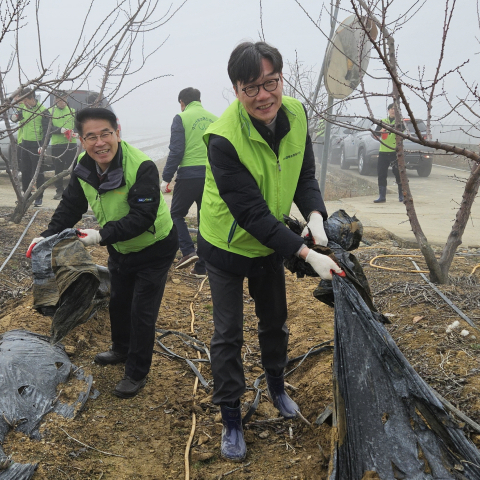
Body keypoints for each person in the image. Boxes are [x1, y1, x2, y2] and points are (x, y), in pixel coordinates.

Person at [199, 41, 343, 462]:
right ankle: (230, 417)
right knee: (227, 334)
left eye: (270, 83)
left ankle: (277, 388)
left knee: (275, 321)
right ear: (236, 90)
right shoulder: (223, 138)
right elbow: (251, 214)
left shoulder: (296, 114)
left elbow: (305, 174)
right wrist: (306, 253)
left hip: (270, 243)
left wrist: (315, 216)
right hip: (227, 244)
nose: (263, 96)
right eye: (251, 88)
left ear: (280, 80)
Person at [28, 107, 178, 399]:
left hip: (155, 247)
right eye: (91, 136)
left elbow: (143, 216)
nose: (100, 143)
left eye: (105, 134)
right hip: (121, 247)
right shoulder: (84, 166)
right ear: (82, 141)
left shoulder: (141, 166)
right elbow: (71, 205)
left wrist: (99, 236)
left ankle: (137, 372)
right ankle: (121, 349)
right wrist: (46, 235)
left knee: (142, 311)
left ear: (117, 132)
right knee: (119, 301)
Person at [161, 87, 217, 278]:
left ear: (182, 102)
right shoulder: (214, 119)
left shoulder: (181, 118)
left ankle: (187, 251)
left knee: (176, 214)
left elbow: (176, 150)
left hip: (188, 175)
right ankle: (202, 268)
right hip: (210, 176)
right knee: (205, 222)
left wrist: (166, 178)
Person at [12, 88, 51, 207]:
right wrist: (14, 117)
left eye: (25, 100)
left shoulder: (43, 111)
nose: (23, 102)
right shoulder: (23, 108)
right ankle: (26, 196)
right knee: (25, 171)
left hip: (37, 145)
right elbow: (16, 117)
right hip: (24, 144)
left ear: (32, 99)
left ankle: (38, 197)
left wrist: (43, 146)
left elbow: (47, 131)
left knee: (38, 172)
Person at [49, 91, 78, 200]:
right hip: (57, 145)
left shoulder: (73, 111)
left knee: (73, 168)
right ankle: (59, 191)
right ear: (56, 100)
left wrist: (75, 132)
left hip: (71, 144)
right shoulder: (51, 112)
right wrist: (60, 130)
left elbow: (77, 126)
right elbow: (49, 128)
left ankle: (74, 191)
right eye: (60, 100)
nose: (63, 102)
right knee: (58, 169)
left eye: (65, 99)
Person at [373, 103, 403, 203]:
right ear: (388, 110)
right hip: (383, 152)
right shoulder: (383, 122)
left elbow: (403, 134)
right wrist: (380, 131)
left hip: (395, 152)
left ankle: (401, 195)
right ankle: (382, 196)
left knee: (398, 173)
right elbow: (375, 134)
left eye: (395, 109)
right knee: (381, 174)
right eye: (391, 109)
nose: (393, 110)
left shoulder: (399, 123)